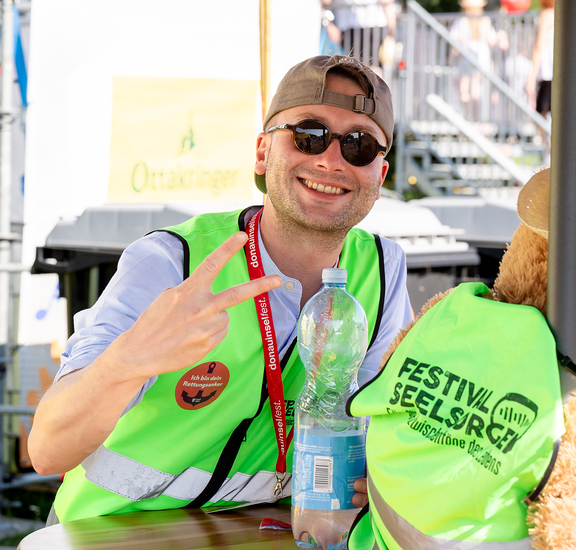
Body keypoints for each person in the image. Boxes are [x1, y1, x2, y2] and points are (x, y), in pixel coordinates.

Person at [28, 55, 413, 522]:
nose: (330, 160)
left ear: (380, 175)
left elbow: (381, 427)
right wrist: (130, 360)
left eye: (359, 145)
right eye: (308, 134)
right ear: (262, 152)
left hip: (257, 531)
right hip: (106, 531)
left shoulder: (384, 270)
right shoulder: (170, 262)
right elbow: (47, 450)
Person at [450, 0, 507, 118]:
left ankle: (472, 119)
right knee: (469, 93)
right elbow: (491, 40)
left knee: (469, 93)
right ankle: (473, 119)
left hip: (475, 62)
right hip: (472, 61)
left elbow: (455, 42)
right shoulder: (465, 21)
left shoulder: (476, 21)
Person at [526, 0, 555, 119]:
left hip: (549, 71)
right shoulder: (565, 16)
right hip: (558, 71)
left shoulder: (547, 15)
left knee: (541, 113)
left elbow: (539, 46)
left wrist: (531, 77)